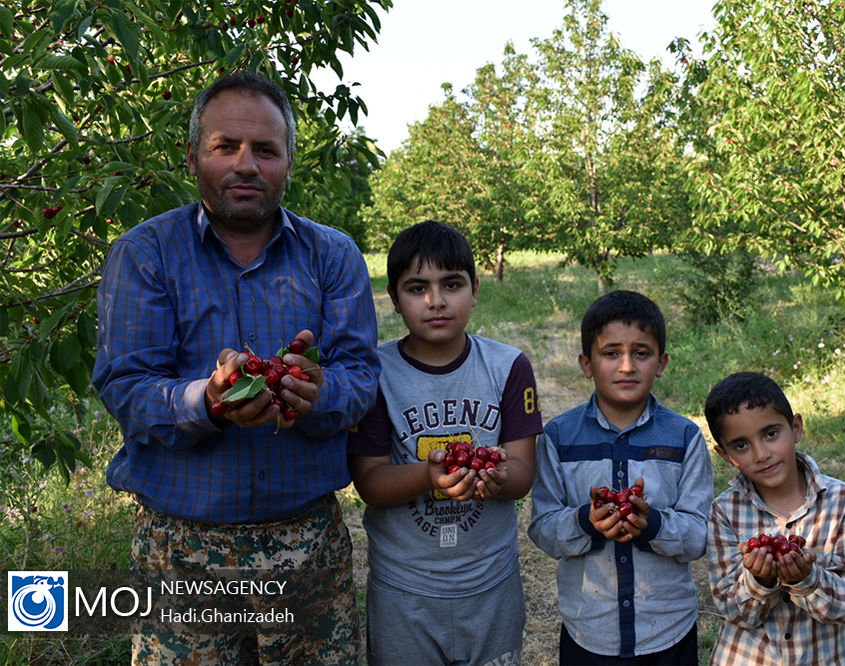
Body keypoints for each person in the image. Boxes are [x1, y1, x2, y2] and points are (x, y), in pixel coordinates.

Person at [92, 71, 379, 664]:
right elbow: (126, 388)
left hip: (306, 545)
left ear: (289, 161)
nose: (246, 164)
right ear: (193, 154)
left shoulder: (334, 255)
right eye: (227, 146)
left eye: (266, 150)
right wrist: (209, 401)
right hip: (182, 548)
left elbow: (360, 375)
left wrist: (316, 392)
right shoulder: (144, 255)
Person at [347, 220, 543, 666]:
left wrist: (495, 474)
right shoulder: (375, 373)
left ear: (474, 289)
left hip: (491, 583)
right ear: (395, 299)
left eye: (451, 284)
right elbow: (370, 482)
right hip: (404, 588)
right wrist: (427, 475)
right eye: (417, 288)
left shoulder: (509, 366)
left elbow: (523, 471)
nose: (436, 301)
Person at [528, 290, 714, 665]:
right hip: (588, 632)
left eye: (641, 353)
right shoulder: (559, 438)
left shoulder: (684, 438)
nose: (627, 366)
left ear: (661, 363)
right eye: (611, 353)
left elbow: (700, 535)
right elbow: (543, 528)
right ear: (586, 363)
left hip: (667, 631)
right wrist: (586, 520)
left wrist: (654, 524)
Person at [703, 371, 845, 665]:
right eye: (741, 445)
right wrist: (759, 579)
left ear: (795, 428)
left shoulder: (844, 502)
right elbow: (733, 611)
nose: (761, 454)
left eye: (771, 434)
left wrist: (807, 579)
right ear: (726, 454)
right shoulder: (724, 513)